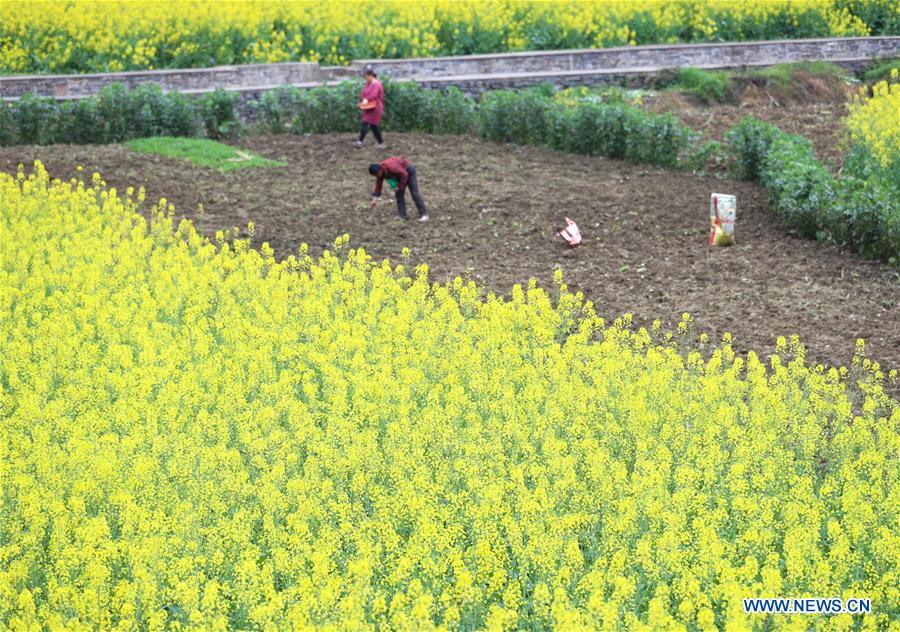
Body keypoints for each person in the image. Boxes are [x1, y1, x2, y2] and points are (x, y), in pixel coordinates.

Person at [369, 157, 429, 222]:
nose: (378, 176)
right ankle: (402, 215)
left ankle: (424, 214)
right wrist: (374, 199)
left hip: (408, 170)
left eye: (378, 174)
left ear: (380, 169)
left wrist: (400, 186)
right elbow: (378, 185)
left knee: (414, 193)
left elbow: (404, 174)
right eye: (375, 176)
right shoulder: (379, 174)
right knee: (399, 194)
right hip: (399, 175)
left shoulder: (391, 167)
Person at [354, 64, 385, 149]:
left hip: (375, 107)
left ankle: (360, 141)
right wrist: (362, 100)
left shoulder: (376, 84)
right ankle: (381, 143)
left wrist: (365, 100)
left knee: (365, 122)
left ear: (370, 75)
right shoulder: (369, 83)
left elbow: (373, 96)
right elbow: (363, 93)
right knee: (373, 125)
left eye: (365, 76)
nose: (364, 79)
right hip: (369, 106)